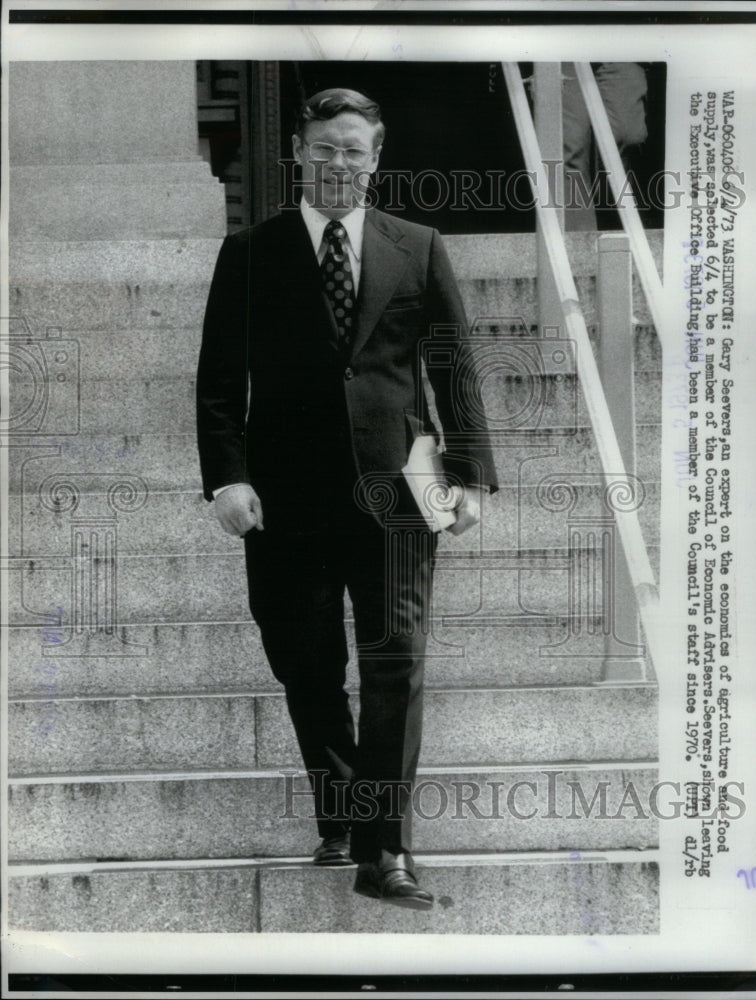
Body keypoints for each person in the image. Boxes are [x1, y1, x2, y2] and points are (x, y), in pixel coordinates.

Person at [196, 88, 497, 910]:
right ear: (298, 152)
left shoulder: (417, 245)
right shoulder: (251, 253)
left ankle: (385, 848)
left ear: (375, 157)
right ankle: (340, 811)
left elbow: (452, 367)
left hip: (400, 487)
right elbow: (220, 383)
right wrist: (228, 477)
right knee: (308, 659)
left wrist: (466, 475)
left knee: (396, 658)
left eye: (353, 150)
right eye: (324, 148)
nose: (338, 164)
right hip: (284, 492)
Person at [562, 62, 649, 231]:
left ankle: (619, 228)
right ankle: (579, 242)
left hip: (619, 45)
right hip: (563, 52)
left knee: (627, 134)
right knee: (571, 148)